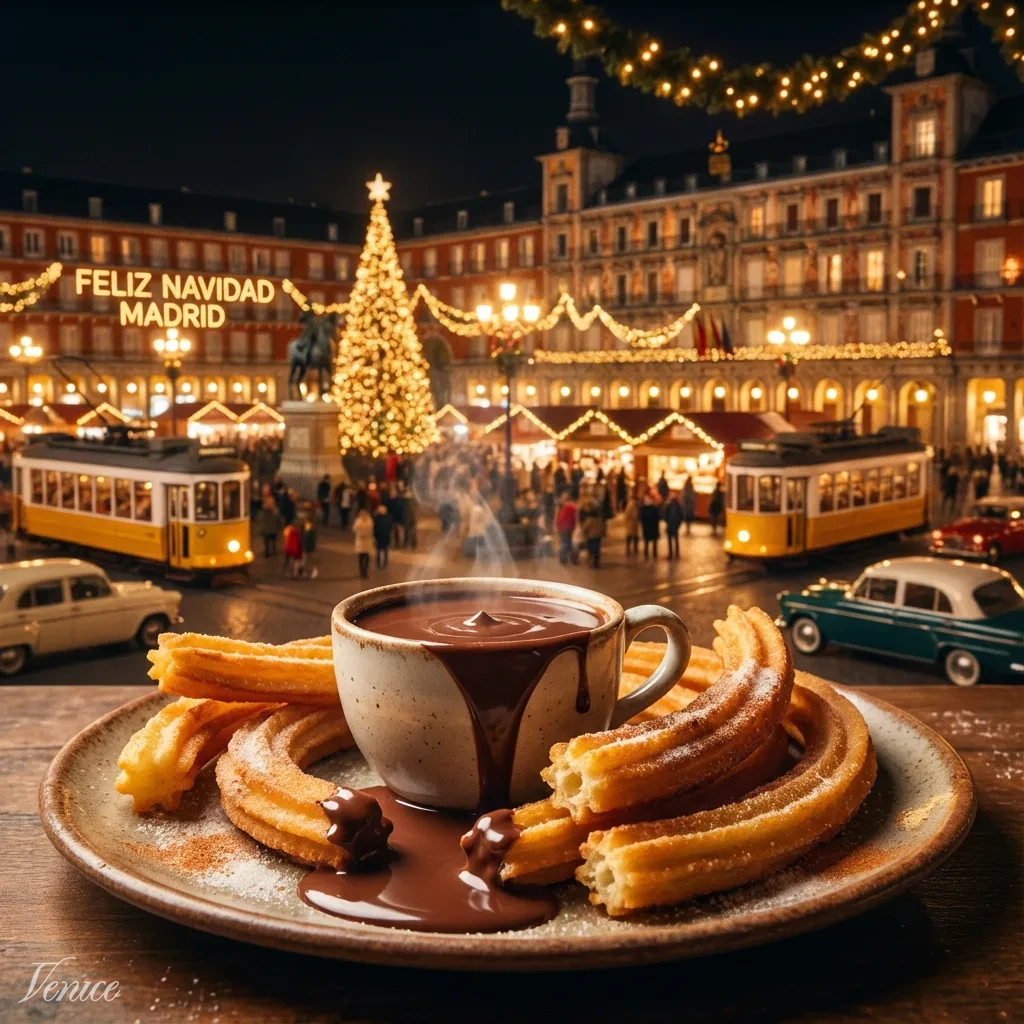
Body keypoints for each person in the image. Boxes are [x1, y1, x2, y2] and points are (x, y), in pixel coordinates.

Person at [581, 499, 606, 568]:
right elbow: (602, 527)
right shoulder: (599, 520)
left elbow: (585, 528)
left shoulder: (589, 520)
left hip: (590, 537)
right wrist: (603, 533)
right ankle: (596, 562)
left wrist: (584, 533)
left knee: (591, 549)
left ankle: (591, 561)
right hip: (598, 537)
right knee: (597, 549)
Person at [555, 494, 578, 565]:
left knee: (564, 543)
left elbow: (559, 517)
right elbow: (575, 518)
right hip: (569, 527)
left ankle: (564, 558)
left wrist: (557, 526)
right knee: (569, 543)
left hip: (563, 527)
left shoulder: (566, 507)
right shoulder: (572, 506)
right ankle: (572, 559)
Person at [353, 507, 373, 579]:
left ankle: (362, 572)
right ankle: (365, 572)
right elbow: (371, 530)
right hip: (367, 542)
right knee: (366, 558)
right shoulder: (370, 521)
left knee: (361, 558)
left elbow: (354, 529)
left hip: (360, 542)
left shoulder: (358, 521)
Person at [662, 491, 683, 559]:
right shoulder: (678, 506)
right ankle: (676, 554)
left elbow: (665, 515)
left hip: (671, 525)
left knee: (670, 541)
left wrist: (667, 522)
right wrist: (678, 524)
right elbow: (681, 516)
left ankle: (671, 554)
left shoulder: (669, 505)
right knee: (675, 540)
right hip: (675, 525)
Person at [640, 493, 661, 560]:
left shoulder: (651, 508)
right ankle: (649, 554)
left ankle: (651, 554)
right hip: (650, 528)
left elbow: (656, 519)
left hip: (650, 528)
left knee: (650, 542)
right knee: (648, 542)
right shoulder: (646, 508)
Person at [373, 503, 393, 570]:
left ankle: (385, 563)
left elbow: (390, 527)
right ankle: (378, 564)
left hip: (386, 537)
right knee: (378, 551)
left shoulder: (388, 517)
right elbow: (374, 527)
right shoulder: (376, 518)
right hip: (378, 537)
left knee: (385, 551)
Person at [301, 512, 319, 578]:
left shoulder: (313, 527)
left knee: (310, 559)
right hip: (305, 545)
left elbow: (313, 538)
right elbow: (302, 535)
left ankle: (313, 571)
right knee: (305, 559)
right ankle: (305, 572)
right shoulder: (304, 526)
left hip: (310, 546)